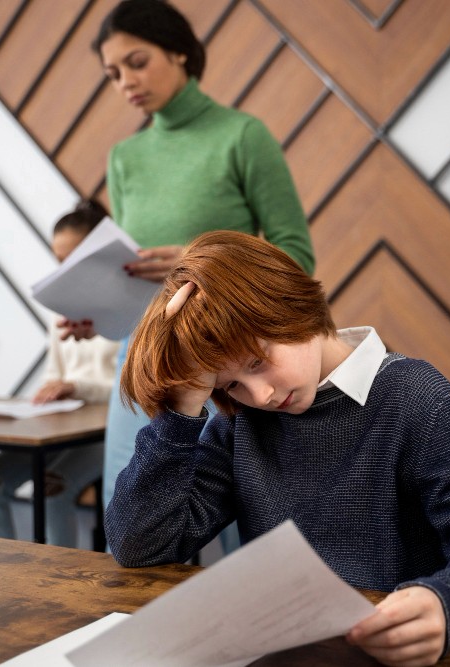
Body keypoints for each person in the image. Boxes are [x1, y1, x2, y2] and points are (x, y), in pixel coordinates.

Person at [107, 231, 450, 666]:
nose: (259, 395)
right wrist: (182, 407)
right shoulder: (242, 424)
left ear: (293, 306)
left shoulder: (416, 398)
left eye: (258, 361)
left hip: (388, 652)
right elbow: (139, 545)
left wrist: (446, 605)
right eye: (232, 385)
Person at [74, 0, 316, 527]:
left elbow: (296, 257)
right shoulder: (124, 157)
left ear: (180, 51)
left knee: (245, 516)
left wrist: (197, 262)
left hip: (231, 356)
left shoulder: (242, 136)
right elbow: (138, 276)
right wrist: (95, 307)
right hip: (143, 352)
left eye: (137, 62)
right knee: (132, 512)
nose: (125, 83)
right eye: (113, 74)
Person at [0, 200, 119, 547]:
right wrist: (50, 391)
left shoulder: (132, 303)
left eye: (74, 258)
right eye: (59, 260)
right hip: (66, 425)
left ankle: (57, 585)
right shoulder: (60, 306)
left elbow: (138, 389)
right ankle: (1, 582)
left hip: (110, 426)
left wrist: (75, 386)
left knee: (52, 486)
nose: (65, 269)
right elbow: (55, 372)